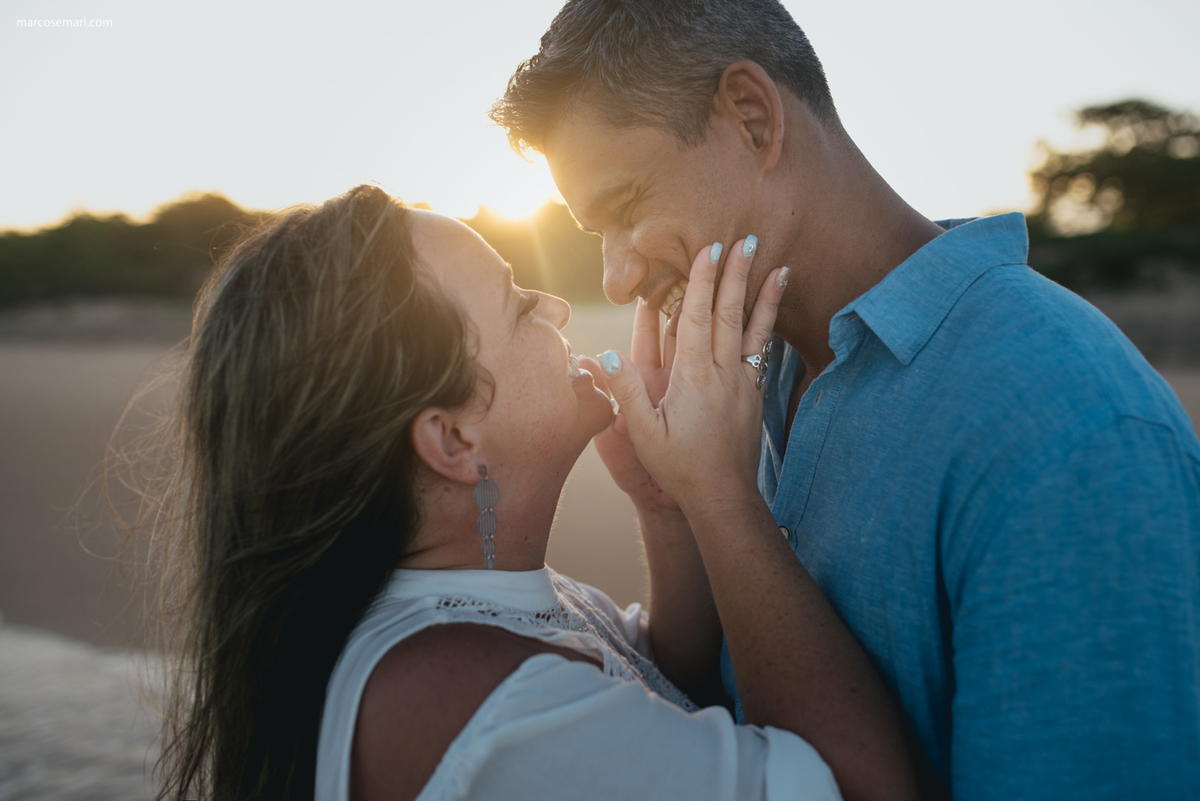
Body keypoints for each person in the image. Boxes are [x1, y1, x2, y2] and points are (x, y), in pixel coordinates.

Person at [490, 1, 1200, 798]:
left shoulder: (1073, 432)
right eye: (597, 238)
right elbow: (730, 731)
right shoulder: (746, 376)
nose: (618, 277)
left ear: (753, 118)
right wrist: (677, 505)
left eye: (625, 209)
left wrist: (717, 494)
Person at [142, 184, 920, 801]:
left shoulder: (467, 612)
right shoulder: (480, 709)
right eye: (519, 305)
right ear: (453, 440)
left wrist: (667, 506)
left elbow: (666, 681)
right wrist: (721, 489)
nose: (556, 306)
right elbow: (861, 789)